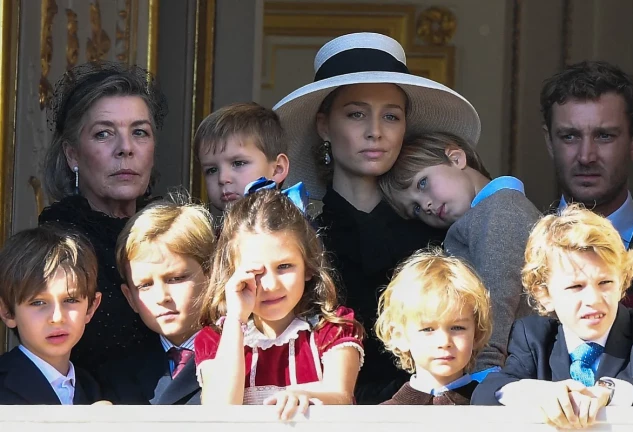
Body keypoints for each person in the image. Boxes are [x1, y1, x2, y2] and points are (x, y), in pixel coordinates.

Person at [273, 32, 479, 403]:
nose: (375, 131)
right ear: (324, 125)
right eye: (356, 114)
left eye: (391, 116)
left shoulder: (445, 235)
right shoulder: (298, 238)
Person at [39, 61, 168, 373]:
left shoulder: (175, 232)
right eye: (103, 134)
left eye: (139, 132)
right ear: (73, 155)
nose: (125, 148)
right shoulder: (54, 248)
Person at [195, 189, 364, 420]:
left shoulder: (332, 330)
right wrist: (236, 318)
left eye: (284, 267)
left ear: (308, 266)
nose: (271, 285)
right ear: (232, 275)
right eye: (255, 271)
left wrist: (301, 394)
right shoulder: (215, 339)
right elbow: (220, 410)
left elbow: (341, 396)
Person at [379, 132, 541, 371]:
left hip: (505, 369)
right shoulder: (485, 214)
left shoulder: (502, 209)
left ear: (456, 158)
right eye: (415, 209)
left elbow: (496, 295)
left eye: (422, 183)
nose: (426, 205)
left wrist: (485, 370)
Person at [472, 205, 633, 429]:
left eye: (605, 283)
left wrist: (608, 391)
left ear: (622, 281)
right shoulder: (534, 336)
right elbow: (487, 392)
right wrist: (531, 391)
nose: (593, 299)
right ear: (544, 294)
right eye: (576, 286)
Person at [97, 191, 216, 404]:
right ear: (130, 297)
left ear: (211, 275)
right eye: (145, 285)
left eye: (176, 278)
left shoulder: (240, 354)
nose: (162, 297)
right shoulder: (116, 373)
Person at [540, 61, 633, 306]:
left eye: (604, 136)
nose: (586, 156)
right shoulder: (520, 247)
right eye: (569, 136)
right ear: (550, 142)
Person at [0, 225, 102, 404]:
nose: (57, 317)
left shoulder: (91, 387)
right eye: (38, 302)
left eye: (70, 300)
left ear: (91, 307)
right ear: (7, 312)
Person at [375, 249, 492, 405]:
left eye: (457, 327)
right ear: (398, 336)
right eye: (428, 329)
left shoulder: (494, 410)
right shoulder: (383, 418)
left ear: (476, 333)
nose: (444, 341)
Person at [193, 102, 289, 214]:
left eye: (238, 163)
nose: (222, 179)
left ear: (278, 169)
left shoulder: (296, 230)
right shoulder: (211, 232)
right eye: (212, 170)